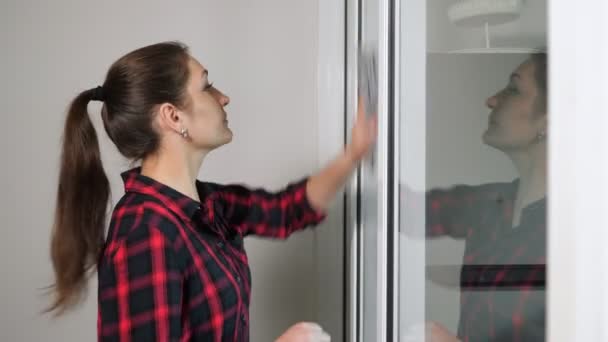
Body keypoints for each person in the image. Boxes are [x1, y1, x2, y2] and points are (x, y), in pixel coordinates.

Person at [47, 41, 376, 342]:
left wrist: (355, 152)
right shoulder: (146, 234)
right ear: (173, 117)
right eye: (207, 86)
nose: (223, 97)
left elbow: (287, 210)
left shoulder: (209, 206)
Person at [412, 53, 548, 342]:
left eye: (513, 89)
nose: (491, 100)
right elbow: (402, 212)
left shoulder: (581, 235)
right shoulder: (490, 203)